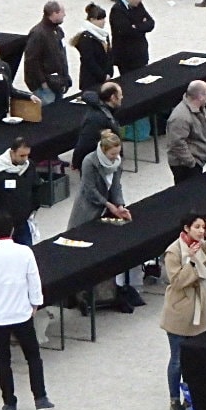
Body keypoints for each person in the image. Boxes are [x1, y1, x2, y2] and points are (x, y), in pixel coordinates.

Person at [0, 214, 52, 410]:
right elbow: (34, 279)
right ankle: (40, 397)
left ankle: (9, 402)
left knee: (3, 360)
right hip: (21, 313)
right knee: (33, 356)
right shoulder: (25, 252)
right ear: (13, 231)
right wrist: (35, 303)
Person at [161, 212, 206, 410]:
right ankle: (174, 400)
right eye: (197, 227)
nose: (200, 230)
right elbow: (178, 281)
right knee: (178, 360)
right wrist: (190, 260)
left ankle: (191, 397)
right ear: (186, 229)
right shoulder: (174, 251)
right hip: (180, 308)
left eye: (202, 227)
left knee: (195, 358)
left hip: (199, 306)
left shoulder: (202, 244)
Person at [69, 132, 141, 311]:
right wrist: (109, 205)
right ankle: (80, 293)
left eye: (118, 153)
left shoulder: (117, 162)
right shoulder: (89, 162)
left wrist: (120, 204)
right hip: (87, 209)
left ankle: (107, 291)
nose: (116, 157)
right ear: (103, 150)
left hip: (108, 206)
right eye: (112, 154)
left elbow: (116, 185)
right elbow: (89, 189)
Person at [24, 1, 70, 106]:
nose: (65, 15)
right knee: (48, 116)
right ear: (54, 13)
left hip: (57, 83)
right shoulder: (38, 34)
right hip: (45, 87)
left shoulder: (58, 31)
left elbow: (62, 56)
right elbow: (31, 61)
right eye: (62, 12)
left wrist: (65, 77)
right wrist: (43, 83)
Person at [165, 81, 206, 184]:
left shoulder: (199, 108)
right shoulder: (180, 117)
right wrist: (192, 163)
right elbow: (176, 143)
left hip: (194, 161)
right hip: (184, 165)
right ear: (200, 96)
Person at [70, 81, 122, 170]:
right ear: (113, 97)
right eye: (120, 94)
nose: (122, 97)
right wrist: (76, 162)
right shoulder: (97, 118)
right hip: (95, 165)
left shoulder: (105, 111)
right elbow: (84, 143)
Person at [109, 0, 154, 73]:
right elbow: (126, 31)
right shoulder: (117, 10)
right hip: (126, 57)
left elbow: (151, 23)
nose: (140, 0)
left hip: (140, 53)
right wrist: (141, 25)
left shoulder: (138, 5)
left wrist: (136, 26)